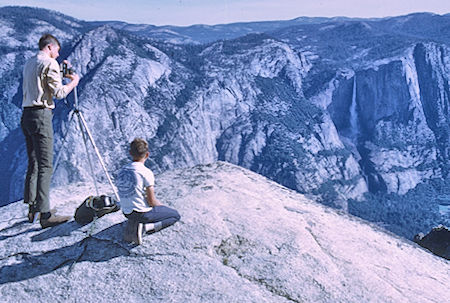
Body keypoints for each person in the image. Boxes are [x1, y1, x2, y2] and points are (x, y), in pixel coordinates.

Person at [21, 33, 80, 228]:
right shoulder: (50, 63)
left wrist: (59, 73)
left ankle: (33, 207)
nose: (57, 54)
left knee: (33, 162)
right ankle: (45, 215)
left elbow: (41, 81)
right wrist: (73, 82)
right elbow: (59, 93)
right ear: (50, 47)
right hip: (41, 116)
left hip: (26, 115)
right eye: (56, 50)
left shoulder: (30, 62)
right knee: (46, 165)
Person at [116, 138, 181, 245]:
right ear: (147, 155)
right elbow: (152, 201)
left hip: (126, 212)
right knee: (175, 215)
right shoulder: (145, 172)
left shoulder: (122, 171)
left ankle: (133, 223)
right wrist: (161, 206)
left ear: (130, 153)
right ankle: (146, 228)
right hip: (142, 214)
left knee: (140, 211)